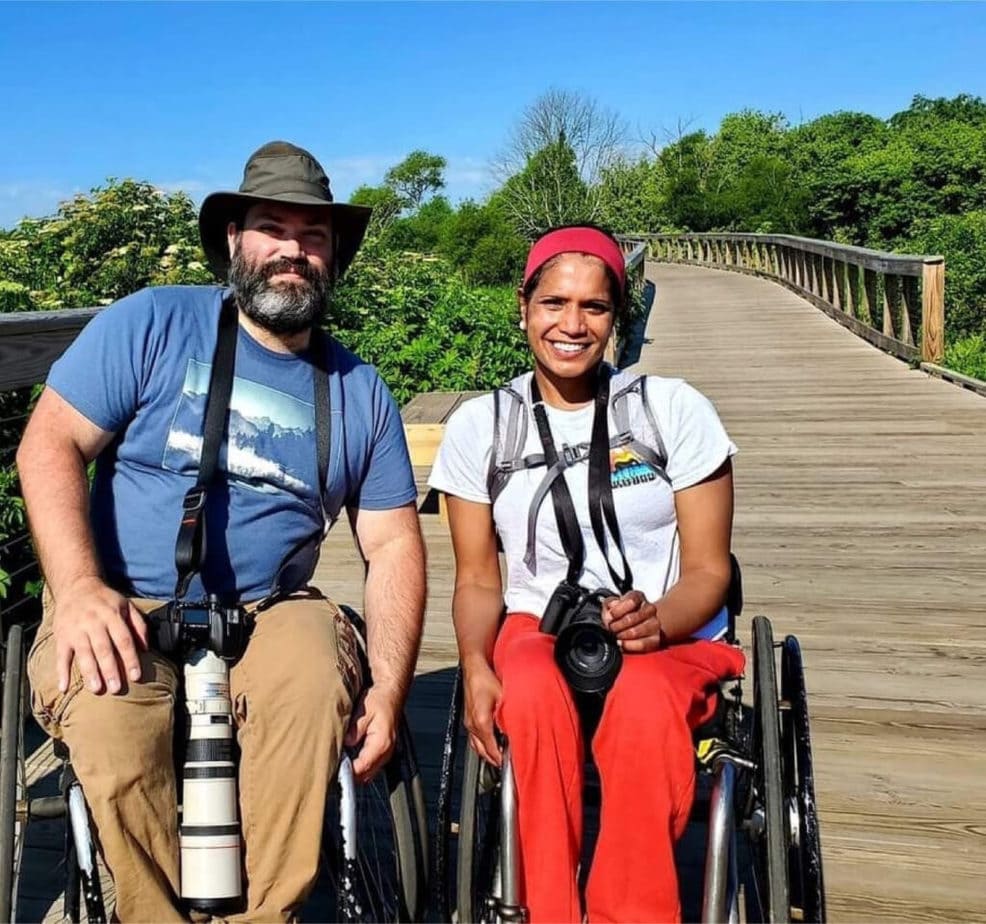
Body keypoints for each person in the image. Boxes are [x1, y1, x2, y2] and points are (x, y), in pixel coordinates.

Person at [17, 141, 426, 922]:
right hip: (122, 600)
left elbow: (395, 545)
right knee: (109, 719)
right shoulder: (151, 322)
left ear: (332, 254)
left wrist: (389, 687)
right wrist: (76, 591)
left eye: (312, 236)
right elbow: (49, 445)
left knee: (309, 685)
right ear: (234, 241)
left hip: (272, 609)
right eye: (272, 228)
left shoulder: (359, 390)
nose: (291, 252)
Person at [429, 224, 747, 923]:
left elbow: (708, 570)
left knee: (642, 705)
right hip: (537, 624)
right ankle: (548, 909)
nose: (571, 325)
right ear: (524, 307)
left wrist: (656, 619)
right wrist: (475, 664)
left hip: (668, 631)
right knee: (533, 695)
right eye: (554, 303)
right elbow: (479, 579)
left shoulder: (673, 410)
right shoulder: (482, 426)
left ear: (617, 319)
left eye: (594, 308)